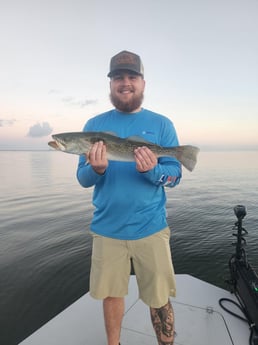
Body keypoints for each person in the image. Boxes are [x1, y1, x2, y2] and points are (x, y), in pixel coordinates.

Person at [77, 50, 181, 345]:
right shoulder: (93, 125)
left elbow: (174, 176)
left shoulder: (162, 124)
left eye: (131, 76)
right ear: (110, 85)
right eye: (118, 77)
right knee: (111, 295)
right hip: (106, 230)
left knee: (159, 297)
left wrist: (153, 172)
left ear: (143, 83)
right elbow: (82, 179)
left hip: (151, 227)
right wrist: (96, 169)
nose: (125, 83)